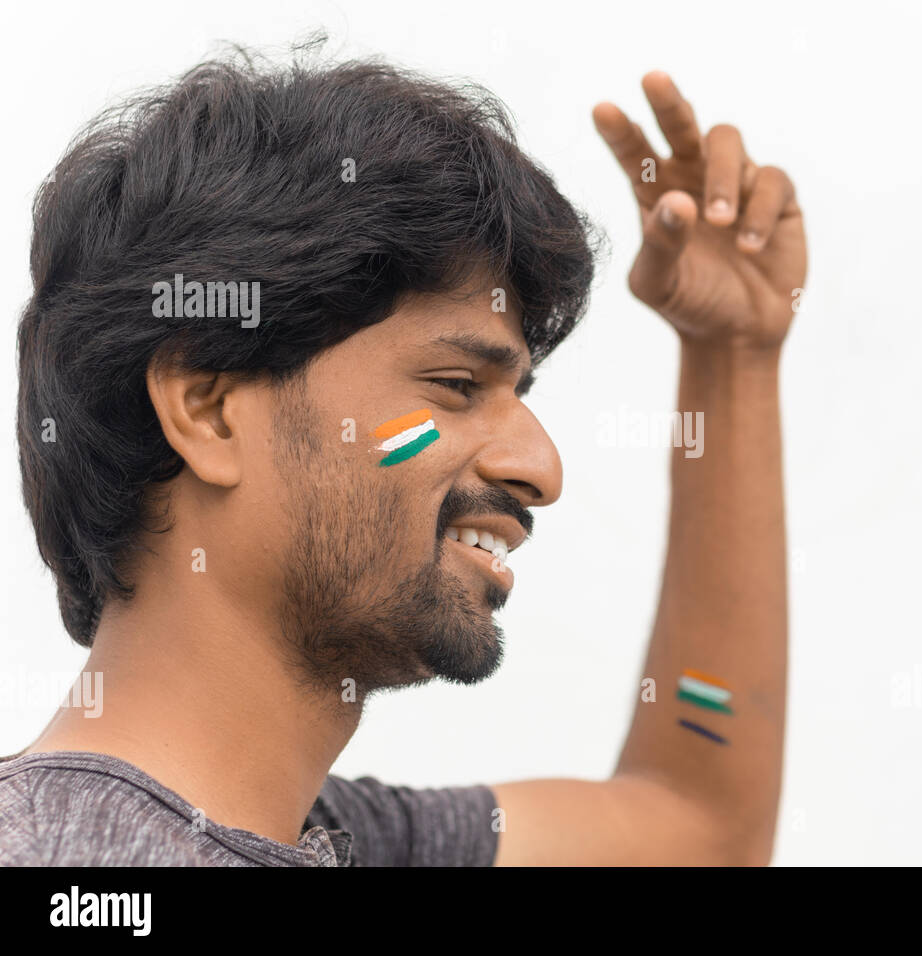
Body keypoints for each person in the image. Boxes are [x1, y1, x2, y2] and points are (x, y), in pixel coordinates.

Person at [0, 49, 806, 866]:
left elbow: (700, 827)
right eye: (456, 385)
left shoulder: (342, 840)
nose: (542, 467)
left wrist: (731, 354)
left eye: (519, 394)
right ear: (208, 412)